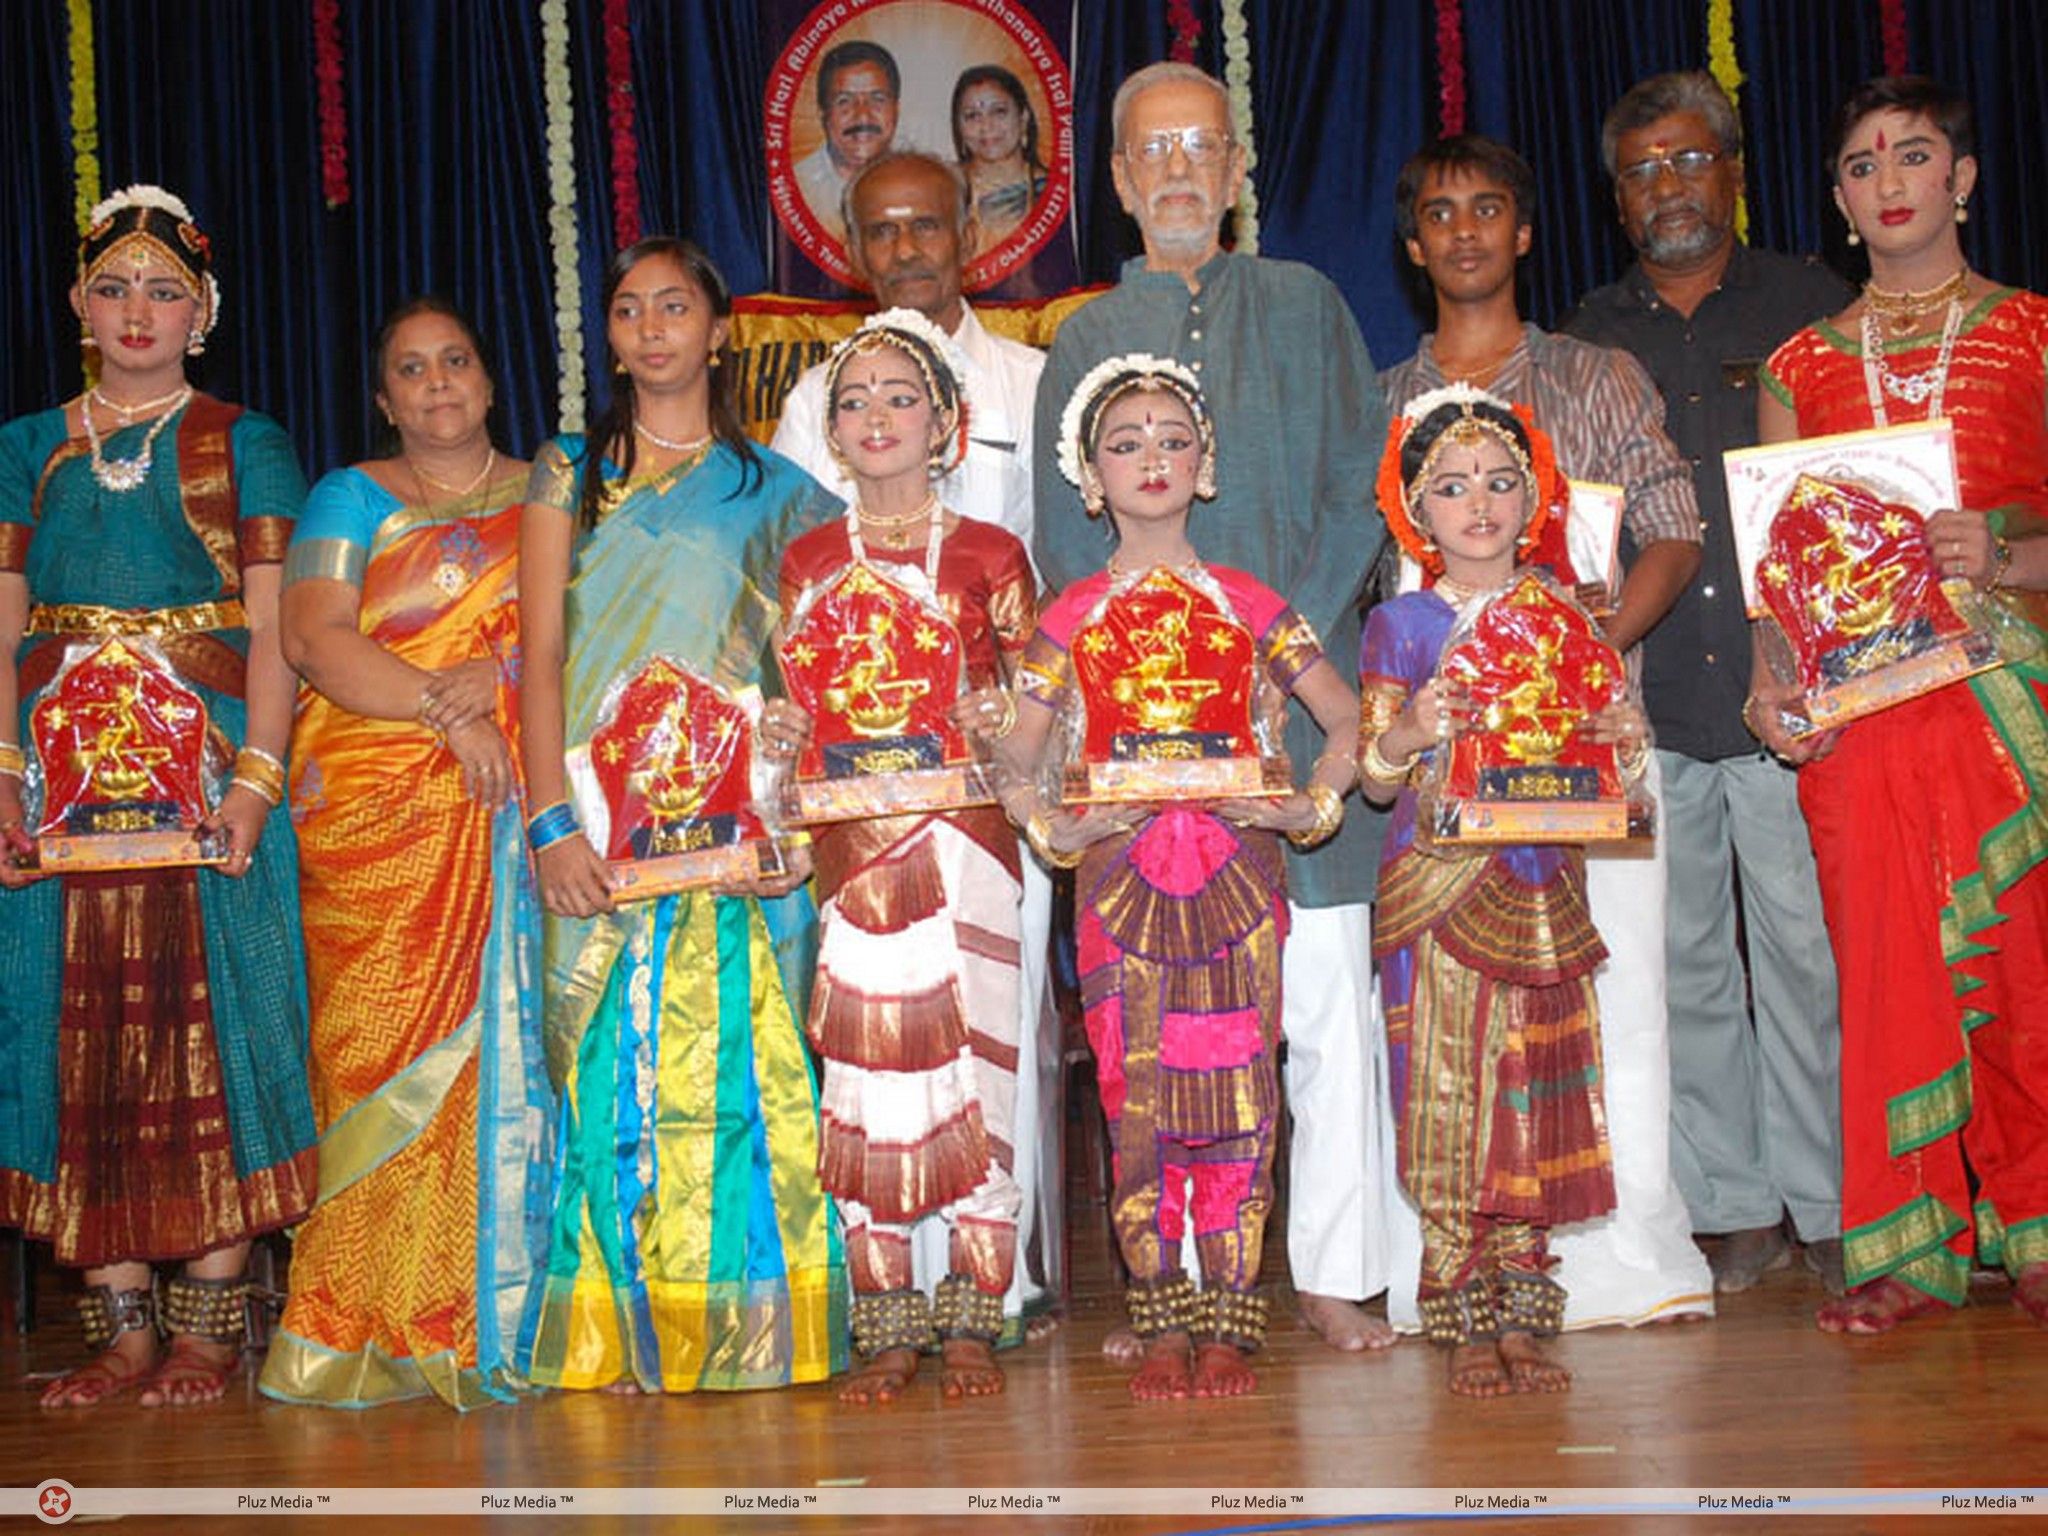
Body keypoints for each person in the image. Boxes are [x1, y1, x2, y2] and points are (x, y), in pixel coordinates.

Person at [1033, 60, 1395, 1354]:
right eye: (1152, 153)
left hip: (1303, 721)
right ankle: (1170, 1277)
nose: (1179, 170)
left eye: (1202, 147)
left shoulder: (1306, 305)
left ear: (1239, 170)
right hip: (1147, 767)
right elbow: (1062, 553)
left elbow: (1367, 486)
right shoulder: (1078, 338)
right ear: (1121, 183)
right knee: (1156, 1028)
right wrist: (1163, 689)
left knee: (1324, 1015)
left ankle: (1333, 1272)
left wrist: (1267, 642)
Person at [1381, 134, 1714, 1330]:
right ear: (1412, 246)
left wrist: (1581, 653)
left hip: (1593, 742)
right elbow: (1384, 591)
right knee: (1459, 1018)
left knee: (1616, 994)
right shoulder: (1383, 398)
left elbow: (1674, 525)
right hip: (1453, 764)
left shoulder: (1598, 374)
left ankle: (1630, 1259)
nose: (1463, 231)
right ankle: (1464, 1268)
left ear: (1523, 231)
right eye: (1438, 213)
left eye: (1486, 209)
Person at [0, 185, 318, 1407]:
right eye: (116, 286)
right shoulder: (27, 445)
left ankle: (207, 1322)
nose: (140, 310)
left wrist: (255, 779)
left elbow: (276, 622)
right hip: (63, 781)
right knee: (78, 1039)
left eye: (165, 289)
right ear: (80, 304)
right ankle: (121, 1326)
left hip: (207, 763)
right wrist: (7, 774)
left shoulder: (246, 441)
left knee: (221, 1023)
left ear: (204, 314)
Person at [515, 237, 845, 1391]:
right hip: (596, 829)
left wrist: (786, 823)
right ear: (606, 336)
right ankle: (615, 1332)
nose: (649, 327)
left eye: (673, 306)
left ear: (716, 331)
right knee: (609, 1067)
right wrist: (550, 822)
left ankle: (756, 1330)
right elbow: (541, 653)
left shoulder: (787, 497)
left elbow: (801, 681)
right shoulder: (570, 470)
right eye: (625, 309)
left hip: (730, 836)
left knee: (742, 1076)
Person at [1003, 355, 1360, 1400]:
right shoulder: (1067, 613)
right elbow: (1014, 762)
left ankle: (1231, 1309)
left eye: (1171, 439)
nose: (1150, 458)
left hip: (1239, 874)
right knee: (1134, 1088)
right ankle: (1160, 1309)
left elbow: (1344, 721)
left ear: (1204, 467)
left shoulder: (1251, 601)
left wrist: (1312, 806)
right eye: (1124, 443)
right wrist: (1058, 829)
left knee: (1242, 1085)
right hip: (1117, 878)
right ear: (1087, 477)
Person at [1753, 76, 2048, 1334]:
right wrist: (1775, 691)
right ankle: (1903, 1251)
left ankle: (2034, 1231)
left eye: (1912, 156)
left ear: (1961, 178)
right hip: (1859, 721)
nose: (1887, 181)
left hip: (2001, 701)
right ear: (1836, 200)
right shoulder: (1796, 364)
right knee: (1880, 975)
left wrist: (2006, 556)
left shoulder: (2033, 332)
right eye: (1861, 164)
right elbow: (1772, 578)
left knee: (2023, 970)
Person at [1563, 72, 1850, 1296]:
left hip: (1788, 698)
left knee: (1804, 955)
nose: (1666, 188)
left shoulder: (1809, 306)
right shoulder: (1583, 336)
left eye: (1687, 161)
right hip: (1650, 703)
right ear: (1615, 200)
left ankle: (1830, 1201)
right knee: (1679, 968)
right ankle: (1729, 1205)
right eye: (1640, 171)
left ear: (1731, 170)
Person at [772, 148, 1061, 1339]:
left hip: (975, 842)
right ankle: (886, 1319)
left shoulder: (990, 558)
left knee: (982, 1072)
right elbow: (785, 708)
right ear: (828, 433)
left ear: (945, 424)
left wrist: (1011, 728)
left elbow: (1039, 691)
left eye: (903, 400)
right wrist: (779, 738)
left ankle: (978, 1308)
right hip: (853, 856)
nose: (876, 418)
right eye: (855, 403)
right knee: (868, 1083)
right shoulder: (802, 566)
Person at [259, 298, 549, 1410]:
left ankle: (501, 1312)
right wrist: (448, 705)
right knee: (372, 1059)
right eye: (411, 371)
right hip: (377, 817)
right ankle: (358, 1320)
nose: (437, 385)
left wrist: (505, 681)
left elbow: (581, 626)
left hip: (515, 819)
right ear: (384, 398)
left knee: (521, 1059)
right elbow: (312, 638)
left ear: (487, 379)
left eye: (457, 362)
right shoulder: (349, 496)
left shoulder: (549, 492)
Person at [1361, 385, 1640, 1396]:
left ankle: (1523, 1300)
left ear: (1535, 497)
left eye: (1497, 482)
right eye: (1448, 487)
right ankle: (1454, 1302)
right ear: (1412, 509)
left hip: (1538, 877)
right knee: (1443, 1091)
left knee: (1526, 1082)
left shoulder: (1564, 615)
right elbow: (1371, 775)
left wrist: (1621, 739)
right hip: (1433, 883)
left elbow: (1615, 750)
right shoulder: (1398, 626)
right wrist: (1413, 726)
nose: (1476, 505)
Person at [796, 40, 902, 242]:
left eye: (877, 99)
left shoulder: (922, 184)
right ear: (823, 112)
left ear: (896, 109)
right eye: (844, 101)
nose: (863, 116)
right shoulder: (798, 189)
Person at [951, 65, 1048, 248]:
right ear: (959, 127)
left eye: (999, 111)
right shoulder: (944, 190)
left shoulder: (1052, 192)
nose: (986, 126)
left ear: (1023, 118)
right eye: (972, 116)